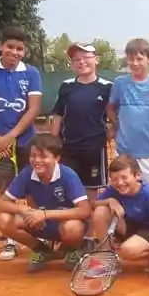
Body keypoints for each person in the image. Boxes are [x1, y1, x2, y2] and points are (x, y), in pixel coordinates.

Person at [0, 25, 44, 262]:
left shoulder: (31, 73)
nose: (15, 52)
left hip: (26, 141)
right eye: (10, 47)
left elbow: (33, 109)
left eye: (20, 49)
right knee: (7, 192)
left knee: (33, 188)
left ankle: (40, 236)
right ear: (0, 46)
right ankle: (11, 240)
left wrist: (12, 135)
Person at [0, 133, 90, 273]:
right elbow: (0, 204)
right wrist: (23, 210)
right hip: (39, 224)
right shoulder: (27, 174)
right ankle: (42, 251)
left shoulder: (68, 175)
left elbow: (85, 210)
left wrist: (45, 214)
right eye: (33, 156)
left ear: (57, 158)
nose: (37, 161)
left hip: (63, 225)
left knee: (73, 227)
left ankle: (72, 250)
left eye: (43, 156)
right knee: (4, 220)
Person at [90, 155, 149, 277]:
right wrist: (109, 201)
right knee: (100, 211)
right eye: (114, 179)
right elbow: (94, 204)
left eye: (124, 177)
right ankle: (107, 259)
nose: (120, 182)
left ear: (137, 176)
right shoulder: (114, 189)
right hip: (132, 225)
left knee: (128, 250)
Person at [49, 43, 112, 205]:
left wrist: (108, 135)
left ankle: (90, 228)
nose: (81, 62)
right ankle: (71, 226)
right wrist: (52, 144)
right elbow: (58, 115)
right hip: (68, 148)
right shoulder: (66, 86)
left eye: (86, 57)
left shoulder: (108, 87)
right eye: (76, 59)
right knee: (67, 188)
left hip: (94, 150)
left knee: (91, 191)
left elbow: (116, 117)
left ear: (96, 60)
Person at [106, 38, 149, 186]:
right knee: (121, 190)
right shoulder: (120, 83)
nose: (134, 63)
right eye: (130, 59)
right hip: (123, 152)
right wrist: (117, 125)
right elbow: (110, 108)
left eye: (139, 59)